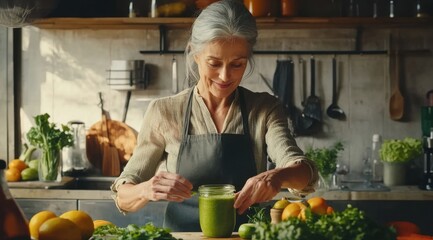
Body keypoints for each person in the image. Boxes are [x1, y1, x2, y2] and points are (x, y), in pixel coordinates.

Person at [111, 0, 318, 232]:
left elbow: (304, 172)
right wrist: (145, 190)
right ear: (195, 54)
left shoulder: (264, 109)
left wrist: (277, 177)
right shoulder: (164, 112)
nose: (224, 76)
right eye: (214, 63)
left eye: (237, 64)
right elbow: (124, 196)